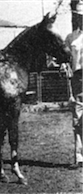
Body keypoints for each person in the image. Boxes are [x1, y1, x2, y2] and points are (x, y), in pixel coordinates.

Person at [65, 0, 83, 168]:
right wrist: (63, 65)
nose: (81, 19)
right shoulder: (71, 38)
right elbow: (62, 58)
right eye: (78, 16)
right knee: (77, 120)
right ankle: (79, 157)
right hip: (77, 80)